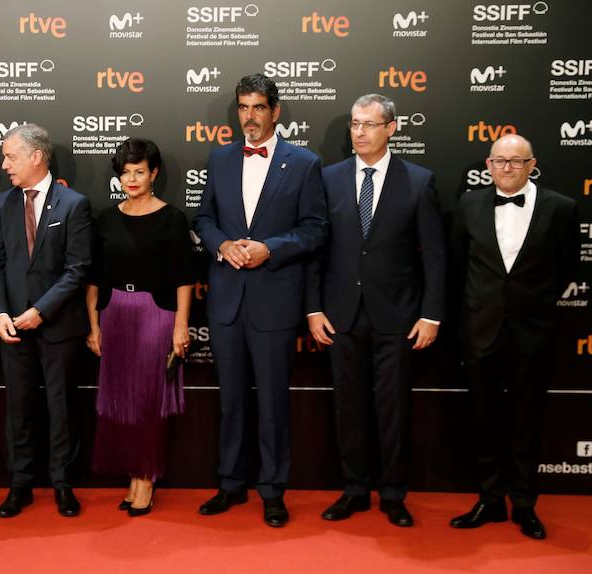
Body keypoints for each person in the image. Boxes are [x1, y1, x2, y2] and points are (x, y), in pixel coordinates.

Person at [193, 74, 328, 527]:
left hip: (274, 297)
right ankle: (230, 484)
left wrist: (272, 247)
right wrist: (221, 245)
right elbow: (205, 216)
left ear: (275, 111)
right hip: (227, 298)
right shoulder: (219, 158)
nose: (249, 117)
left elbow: (314, 229)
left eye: (257, 108)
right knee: (230, 400)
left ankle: (272, 490)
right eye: (243, 108)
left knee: (272, 401)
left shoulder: (305, 163)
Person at [305, 94, 446, 527]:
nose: (359, 132)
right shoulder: (327, 179)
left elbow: (435, 257)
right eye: (354, 124)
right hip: (340, 313)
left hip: (398, 316)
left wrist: (431, 314)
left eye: (368, 124)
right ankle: (353, 490)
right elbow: (316, 249)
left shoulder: (419, 181)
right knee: (348, 408)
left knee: (393, 409)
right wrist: (313, 308)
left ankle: (393, 493)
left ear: (391, 128)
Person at [449, 134, 578, 540]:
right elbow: (457, 266)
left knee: (527, 421)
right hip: (480, 330)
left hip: (533, 332)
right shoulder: (468, 204)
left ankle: (524, 504)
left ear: (531, 164)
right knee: (483, 419)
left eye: (517, 161)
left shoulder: (561, 208)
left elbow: (568, 269)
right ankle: (489, 500)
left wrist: (532, 305)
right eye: (500, 161)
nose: (507, 168)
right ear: (488, 165)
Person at [0, 123, 92, 518]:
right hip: (11, 327)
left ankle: (63, 484)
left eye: (11, 156)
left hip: (58, 325)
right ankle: (20, 484)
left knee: (62, 408)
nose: (4, 164)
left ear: (36, 157)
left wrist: (40, 310)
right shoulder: (1, 204)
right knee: (19, 409)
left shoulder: (73, 204)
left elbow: (77, 269)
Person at [85, 138, 194, 517]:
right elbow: (94, 279)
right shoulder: (107, 218)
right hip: (115, 312)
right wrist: (94, 325)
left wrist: (181, 326)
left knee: (147, 401)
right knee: (121, 402)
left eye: (139, 172)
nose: (132, 179)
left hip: (155, 314)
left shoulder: (172, 218)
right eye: (126, 172)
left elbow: (184, 278)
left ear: (154, 174)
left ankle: (146, 480)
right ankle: (134, 475)